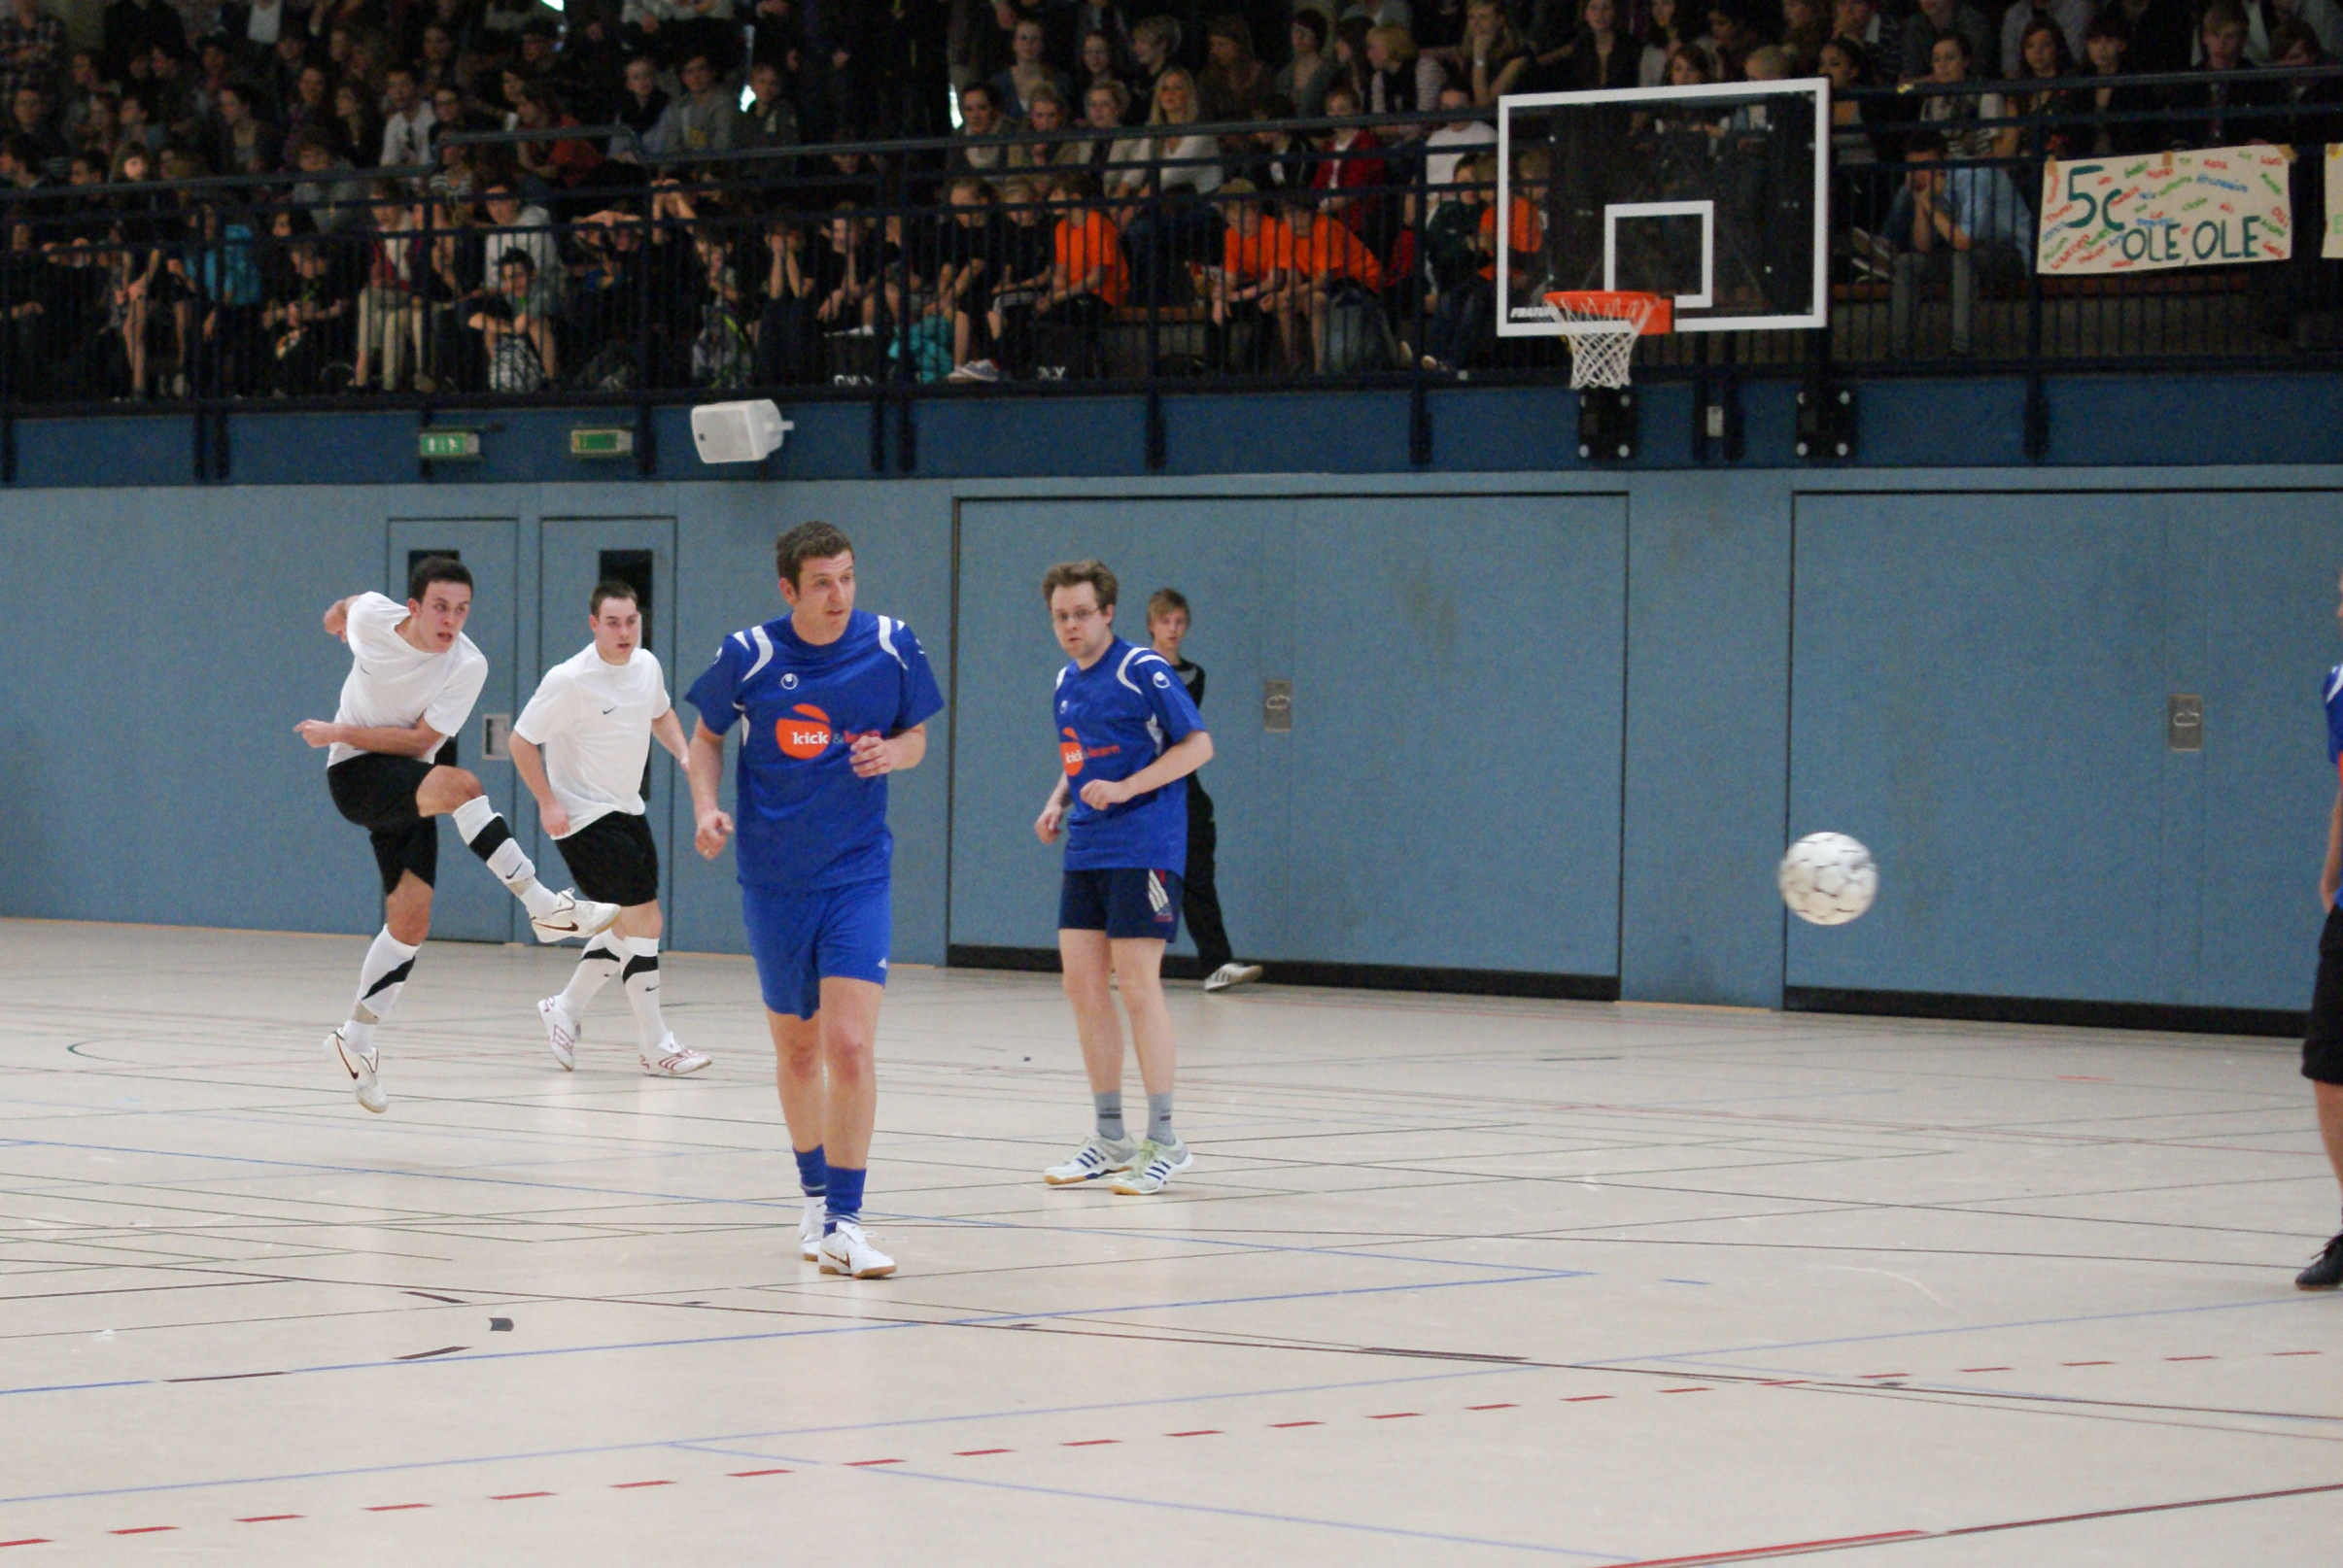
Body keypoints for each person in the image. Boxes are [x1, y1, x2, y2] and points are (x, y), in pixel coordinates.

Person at [684, 522, 944, 1279]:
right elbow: (704, 739)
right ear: (788, 589)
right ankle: (814, 1196)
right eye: (822, 582)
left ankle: (846, 1223)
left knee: (850, 1046)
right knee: (797, 1051)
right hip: (773, 881)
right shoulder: (750, 655)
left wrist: (892, 753)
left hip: (857, 875)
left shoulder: (891, 644)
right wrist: (706, 808)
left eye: (847, 577)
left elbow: (916, 739)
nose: (839, 595)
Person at [296, 558, 622, 1115]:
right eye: (441, 608)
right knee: (463, 785)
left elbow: (421, 740)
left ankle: (355, 1040)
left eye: (462, 610)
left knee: (411, 921)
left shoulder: (468, 664)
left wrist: (338, 727)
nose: (451, 620)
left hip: (405, 773)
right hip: (355, 774)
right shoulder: (374, 617)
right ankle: (542, 906)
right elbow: (349, 607)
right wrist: (337, 618)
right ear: (414, 608)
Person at [1035, 561, 1213, 1195]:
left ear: (1107, 612)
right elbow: (1078, 756)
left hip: (1145, 845)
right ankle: (1110, 1135)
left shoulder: (1143, 670)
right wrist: (1058, 799)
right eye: (1061, 616)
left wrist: (1128, 787)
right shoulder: (1064, 682)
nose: (1071, 625)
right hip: (1087, 846)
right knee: (1082, 984)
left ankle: (1164, 1139)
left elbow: (1197, 746)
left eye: (1082, 613)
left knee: (1137, 985)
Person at [513, 581, 709, 1078]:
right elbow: (520, 741)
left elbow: (660, 713)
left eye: (631, 621)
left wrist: (684, 754)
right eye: (613, 622)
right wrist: (547, 801)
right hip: (582, 818)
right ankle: (655, 1045)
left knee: (623, 926)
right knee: (645, 921)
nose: (624, 632)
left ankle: (564, 1008)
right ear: (593, 624)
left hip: (628, 809)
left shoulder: (646, 666)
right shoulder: (569, 679)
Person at [1146, 588, 1261, 992]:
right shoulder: (1136, 670)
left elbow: (1184, 731)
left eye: (1179, 622)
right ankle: (1123, 961)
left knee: (1198, 876)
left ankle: (1216, 963)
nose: (1173, 629)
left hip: (1183, 786)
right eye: (1165, 622)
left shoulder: (1194, 675)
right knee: (1142, 878)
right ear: (1151, 625)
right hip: (1145, 788)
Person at [1884, 127, 2028, 357]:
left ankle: (1962, 349)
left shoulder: (1975, 177)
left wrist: (1928, 205)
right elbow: (1923, 246)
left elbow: (1964, 242)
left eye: (1926, 165)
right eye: (1914, 167)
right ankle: (1898, 350)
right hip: (1963, 253)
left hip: (2009, 251)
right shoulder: (1927, 186)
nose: (1920, 174)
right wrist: (1921, 201)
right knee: (1906, 262)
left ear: (1945, 160)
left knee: (1963, 258)